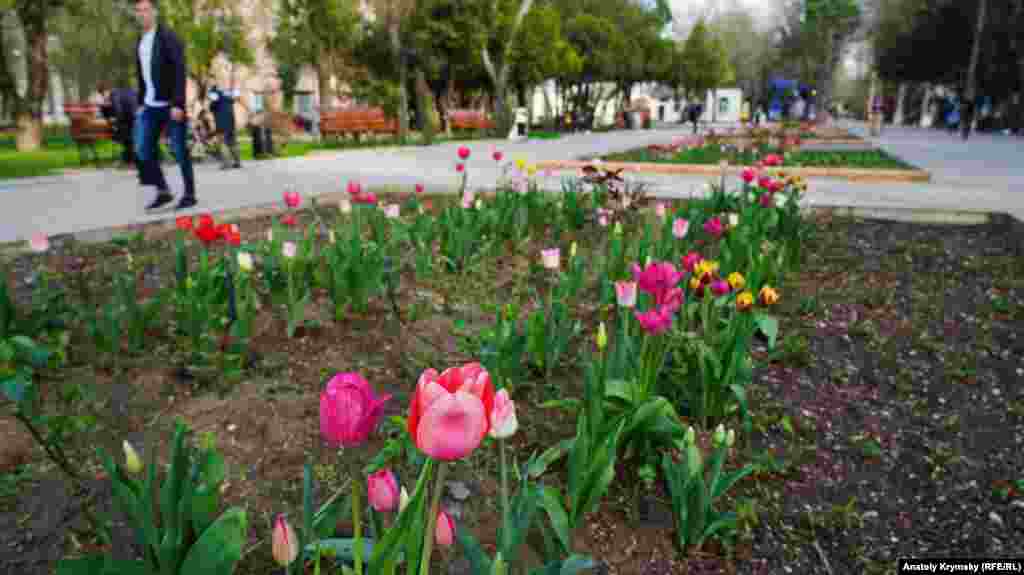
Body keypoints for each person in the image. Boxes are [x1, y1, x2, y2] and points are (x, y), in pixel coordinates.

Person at [134, 0, 197, 212]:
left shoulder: (168, 37)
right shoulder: (141, 41)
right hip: (150, 106)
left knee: (179, 150)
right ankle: (163, 191)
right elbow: (143, 75)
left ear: (155, 12)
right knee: (143, 148)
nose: (142, 14)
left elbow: (180, 71)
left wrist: (178, 103)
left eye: (146, 10)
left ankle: (190, 194)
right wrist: (141, 102)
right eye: (139, 11)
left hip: (170, 105)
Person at [98, 83, 139, 168]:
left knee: (122, 134)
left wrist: (114, 121)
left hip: (129, 123)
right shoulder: (120, 93)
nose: (103, 97)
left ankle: (128, 159)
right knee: (126, 136)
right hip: (135, 121)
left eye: (102, 94)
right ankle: (129, 159)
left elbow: (119, 111)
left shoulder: (114, 95)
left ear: (106, 91)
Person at [208, 85, 241, 169]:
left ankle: (226, 163)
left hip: (221, 120)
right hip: (231, 119)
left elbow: (213, 105)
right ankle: (237, 162)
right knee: (232, 141)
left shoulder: (214, 92)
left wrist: (210, 106)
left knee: (222, 142)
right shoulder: (227, 93)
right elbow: (233, 99)